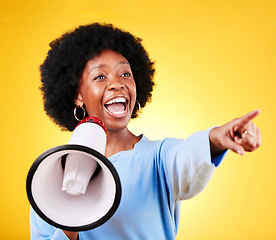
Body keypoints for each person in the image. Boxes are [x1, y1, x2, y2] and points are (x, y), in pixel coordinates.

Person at [30, 23, 261, 240]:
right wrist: (68, 221)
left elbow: (187, 156)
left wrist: (216, 139)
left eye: (126, 74)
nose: (116, 83)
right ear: (77, 95)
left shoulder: (159, 157)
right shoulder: (51, 173)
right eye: (100, 77)